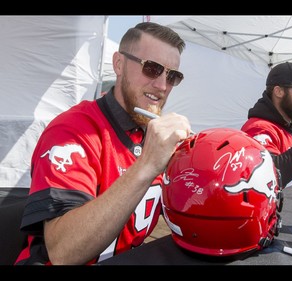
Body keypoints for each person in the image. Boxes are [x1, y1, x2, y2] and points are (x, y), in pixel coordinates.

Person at [15, 22, 191, 265]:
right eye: (151, 68)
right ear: (118, 64)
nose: (162, 85)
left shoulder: (150, 136)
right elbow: (63, 252)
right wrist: (147, 165)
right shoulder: (72, 130)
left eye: (172, 76)